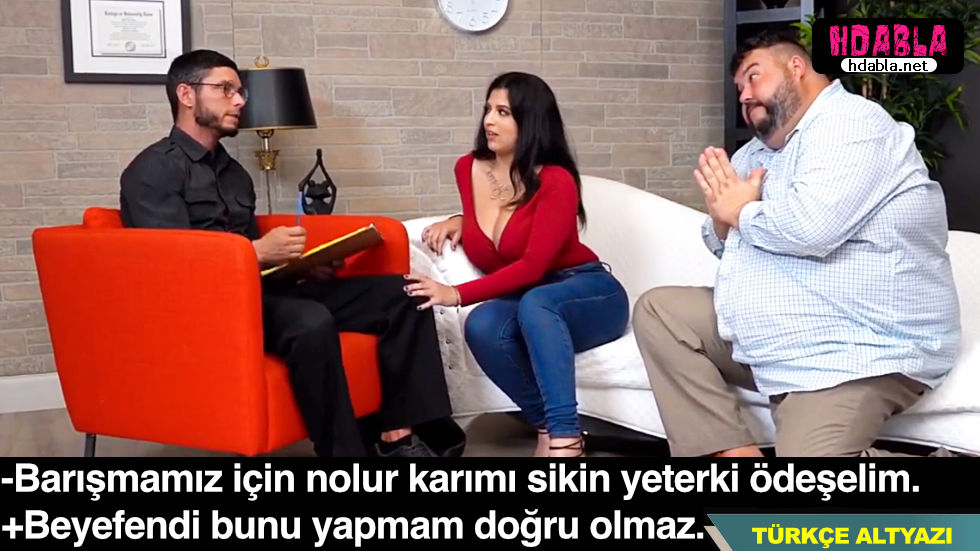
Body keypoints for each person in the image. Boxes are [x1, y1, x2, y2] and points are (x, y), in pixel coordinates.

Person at [119, 49, 463, 458]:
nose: (239, 100)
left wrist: (303, 268)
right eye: (225, 89)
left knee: (406, 293)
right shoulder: (151, 171)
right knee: (309, 321)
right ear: (186, 95)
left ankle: (397, 437)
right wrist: (256, 251)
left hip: (264, 293)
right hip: (210, 310)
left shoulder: (234, 175)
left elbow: (258, 266)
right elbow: (174, 266)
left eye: (240, 91)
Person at [632, 31, 961, 457]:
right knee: (661, 312)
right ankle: (734, 456)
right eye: (739, 89)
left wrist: (741, 212)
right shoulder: (755, 155)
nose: (745, 95)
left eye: (754, 77)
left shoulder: (852, 125)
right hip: (774, 338)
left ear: (796, 67)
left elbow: (812, 229)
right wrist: (723, 219)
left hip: (853, 345)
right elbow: (722, 241)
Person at [406, 72, 630, 458]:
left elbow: (531, 266)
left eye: (503, 112)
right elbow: (499, 228)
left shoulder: (557, 180)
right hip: (530, 301)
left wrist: (455, 293)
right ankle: (545, 425)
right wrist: (460, 220)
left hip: (588, 293)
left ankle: (566, 439)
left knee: (536, 303)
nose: (489, 121)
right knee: (483, 325)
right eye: (488, 110)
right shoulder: (467, 168)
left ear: (531, 121)